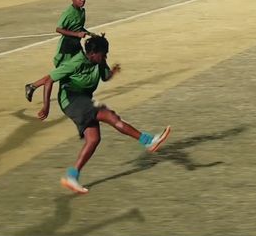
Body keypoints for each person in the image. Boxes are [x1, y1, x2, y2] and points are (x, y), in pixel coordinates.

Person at [29, 34, 170, 195]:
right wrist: (46, 107)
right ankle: (148, 141)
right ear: (92, 53)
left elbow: (104, 76)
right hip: (71, 99)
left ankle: (71, 176)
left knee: (94, 139)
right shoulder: (75, 62)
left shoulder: (99, 61)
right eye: (104, 54)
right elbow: (49, 80)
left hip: (83, 99)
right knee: (110, 116)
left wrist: (113, 72)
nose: (106, 56)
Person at [25, 0, 92, 106]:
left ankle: (77, 91)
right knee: (60, 73)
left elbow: (79, 27)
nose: (83, 0)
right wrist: (77, 34)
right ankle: (33, 86)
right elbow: (58, 29)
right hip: (66, 48)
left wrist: (91, 34)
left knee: (81, 65)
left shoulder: (82, 11)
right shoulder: (68, 12)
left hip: (76, 46)